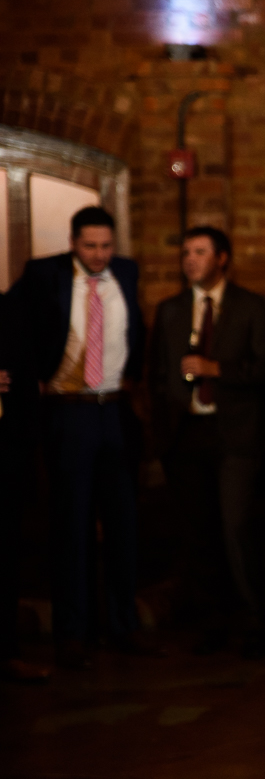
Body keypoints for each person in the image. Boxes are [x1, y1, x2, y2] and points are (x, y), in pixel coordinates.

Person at [10, 206, 156, 671]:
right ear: (74, 243)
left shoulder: (127, 274)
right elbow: (13, 325)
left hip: (113, 410)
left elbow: (138, 331)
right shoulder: (44, 275)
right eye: (90, 246)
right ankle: (72, 633)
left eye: (106, 246)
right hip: (67, 411)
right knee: (70, 525)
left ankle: (123, 624)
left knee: (122, 524)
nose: (99, 255)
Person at [149, 226, 265, 659]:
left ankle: (254, 620)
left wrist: (215, 369)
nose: (190, 260)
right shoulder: (171, 310)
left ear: (222, 258)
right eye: (186, 252)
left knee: (236, 527)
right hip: (188, 433)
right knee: (198, 533)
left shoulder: (251, 306)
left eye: (200, 252)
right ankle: (213, 621)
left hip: (236, 433)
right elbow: (158, 375)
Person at [0, 289, 51, 684]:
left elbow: (28, 376)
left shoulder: (11, 307)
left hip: (8, 452)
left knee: (5, 554)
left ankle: (6, 653)